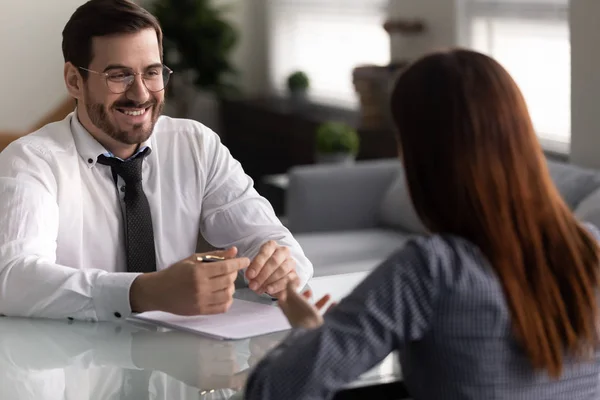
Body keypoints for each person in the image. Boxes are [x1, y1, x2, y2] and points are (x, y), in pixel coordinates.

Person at [243, 49, 600, 399]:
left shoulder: (433, 270)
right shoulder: (592, 250)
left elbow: (274, 389)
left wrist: (309, 331)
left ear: (422, 157)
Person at [0, 0, 313, 322]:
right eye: (118, 75)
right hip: (72, 361)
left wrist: (281, 268)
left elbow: (268, 238)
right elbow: (11, 279)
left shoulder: (196, 145)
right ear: (74, 81)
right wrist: (144, 292)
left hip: (179, 356)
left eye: (152, 72)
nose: (141, 94)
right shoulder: (30, 161)